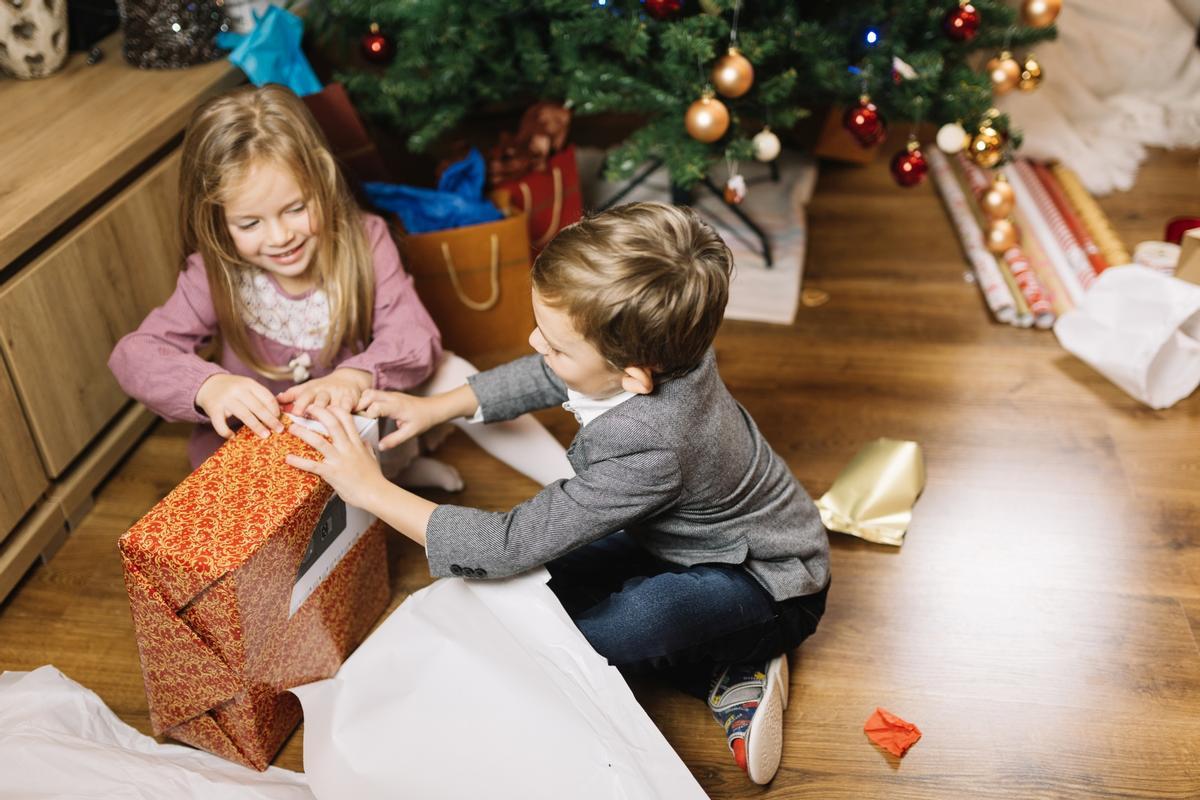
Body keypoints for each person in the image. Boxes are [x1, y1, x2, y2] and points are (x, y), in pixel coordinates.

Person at [286, 202, 831, 785]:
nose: (534, 342)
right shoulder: (665, 344)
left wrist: (371, 489)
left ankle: (735, 667)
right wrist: (435, 406)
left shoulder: (653, 444)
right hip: (677, 541)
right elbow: (548, 372)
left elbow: (508, 541)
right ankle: (717, 650)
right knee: (536, 596)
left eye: (555, 345)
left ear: (634, 377)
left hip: (768, 582)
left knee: (604, 634)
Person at [109, 84, 570, 489]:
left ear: (322, 182)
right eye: (249, 222)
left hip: (362, 439)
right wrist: (209, 386)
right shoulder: (214, 271)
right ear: (217, 220)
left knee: (450, 369)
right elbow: (135, 353)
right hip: (273, 463)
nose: (280, 236)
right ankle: (391, 485)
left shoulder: (364, 238)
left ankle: (570, 485)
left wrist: (355, 376)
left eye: (294, 208)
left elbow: (414, 336)